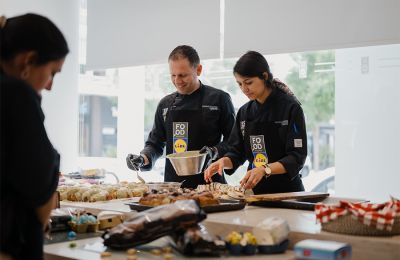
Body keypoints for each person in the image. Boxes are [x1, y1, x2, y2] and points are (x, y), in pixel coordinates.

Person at [0, 13, 69, 259]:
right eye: (53, 72)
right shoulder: (15, 95)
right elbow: (40, 191)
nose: (50, 85)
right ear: (28, 61)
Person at [126, 45, 235, 188]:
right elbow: (155, 144)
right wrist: (142, 158)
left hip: (211, 186)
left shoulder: (219, 99)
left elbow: (234, 142)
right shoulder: (165, 105)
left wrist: (214, 152)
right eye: (173, 75)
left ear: (199, 70)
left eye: (183, 75)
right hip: (174, 187)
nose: (177, 80)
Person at [204, 51, 306, 194]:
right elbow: (237, 152)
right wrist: (223, 162)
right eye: (239, 84)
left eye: (248, 83)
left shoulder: (290, 108)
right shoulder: (245, 112)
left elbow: (296, 157)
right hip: (255, 193)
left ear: (264, 76)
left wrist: (265, 169)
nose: (244, 89)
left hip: (287, 192)